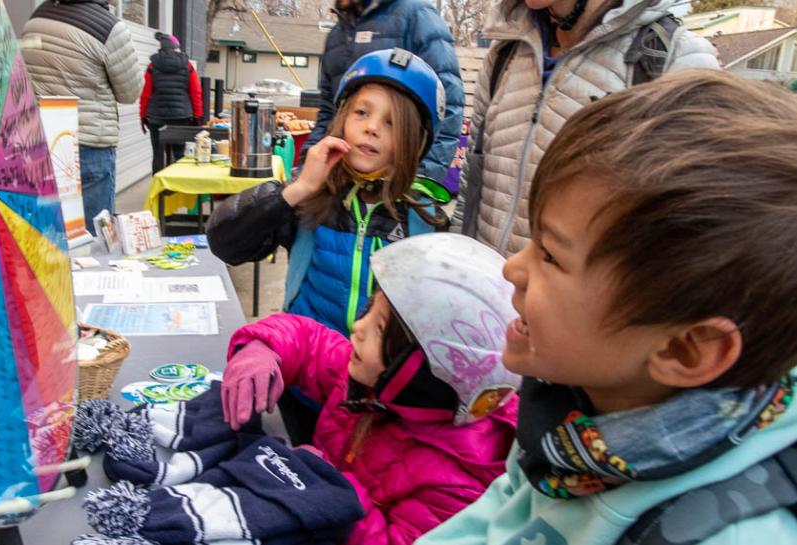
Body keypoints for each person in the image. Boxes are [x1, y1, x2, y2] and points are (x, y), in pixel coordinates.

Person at [417, 70, 797, 545]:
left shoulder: (728, 535)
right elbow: (505, 510)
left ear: (685, 350)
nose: (512, 268)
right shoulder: (574, 415)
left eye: (551, 255)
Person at [223, 232, 521, 545]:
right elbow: (310, 342)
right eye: (369, 310)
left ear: (424, 377)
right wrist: (263, 347)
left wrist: (331, 490)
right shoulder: (370, 386)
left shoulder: (456, 484)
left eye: (378, 328)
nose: (357, 326)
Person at [208, 48, 448, 338]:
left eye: (392, 122)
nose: (371, 127)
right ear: (343, 119)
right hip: (306, 370)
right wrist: (296, 190)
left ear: (416, 142)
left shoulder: (424, 218)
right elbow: (224, 243)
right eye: (362, 112)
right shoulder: (313, 194)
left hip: (371, 377)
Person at [449, 0, 719, 254]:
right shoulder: (505, 53)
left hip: (579, 300)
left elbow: (690, 235)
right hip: (489, 290)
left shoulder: (673, 57)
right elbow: (471, 182)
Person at [303, 0, 464, 192]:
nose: (371, 127)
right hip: (340, 185)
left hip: (397, 191)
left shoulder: (417, 15)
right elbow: (328, 114)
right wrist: (304, 170)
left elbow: (447, 108)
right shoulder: (336, 35)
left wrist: (419, 181)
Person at [21, 0, 143, 232]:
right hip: (90, 144)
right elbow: (130, 92)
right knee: (93, 235)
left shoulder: (36, 18)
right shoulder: (109, 28)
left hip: (42, 141)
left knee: (47, 232)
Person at [139, 32, 203, 176]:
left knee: (158, 155)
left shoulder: (152, 65)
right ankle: (178, 192)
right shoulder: (187, 65)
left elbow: (146, 93)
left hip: (156, 118)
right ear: (176, 48)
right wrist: (198, 115)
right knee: (180, 154)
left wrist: (143, 116)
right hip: (181, 118)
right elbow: (195, 92)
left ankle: (159, 192)